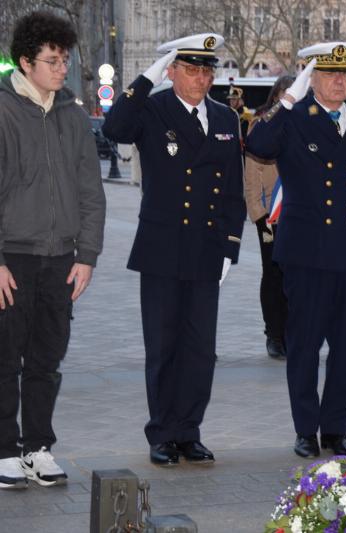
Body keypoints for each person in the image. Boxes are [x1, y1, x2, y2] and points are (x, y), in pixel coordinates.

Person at [102, 33, 246, 467]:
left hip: (205, 248)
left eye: (207, 71)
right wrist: (146, 77)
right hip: (163, 246)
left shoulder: (224, 117)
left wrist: (229, 247)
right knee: (163, 344)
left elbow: (233, 190)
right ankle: (162, 432)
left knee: (201, 347)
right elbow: (115, 128)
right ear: (172, 71)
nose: (201, 79)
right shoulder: (153, 108)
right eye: (192, 69)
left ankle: (189, 430)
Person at [246, 42, 346, 458]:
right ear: (313, 79)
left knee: (345, 349)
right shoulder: (293, 118)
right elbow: (258, 144)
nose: (340, 81)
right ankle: (306, 428)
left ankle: (335, 429)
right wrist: (289, 97)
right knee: (304, 345)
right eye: (329, 74)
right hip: (307, 252)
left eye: (345, 74)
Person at [0, 10, 106, 490]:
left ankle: (37, 447)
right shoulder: (2, 110)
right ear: (26, 62)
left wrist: (87, 256)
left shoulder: (73, 114)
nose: (62, 68)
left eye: (65, 59)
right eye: (52, 60)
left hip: (61, 257)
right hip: (13, 256)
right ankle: (4, 449)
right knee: (5, 356)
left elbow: (91, 192)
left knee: (46, 358)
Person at [243, 76, 294, 360]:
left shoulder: (303, 124)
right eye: (285, 93)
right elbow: (252, 173)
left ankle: (291, 331)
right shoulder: (261, 124)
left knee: (294, 274)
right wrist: (258, 213)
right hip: (270, 214)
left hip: (296, 214)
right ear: (276, 96)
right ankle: (274, 334)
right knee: (273, 273)